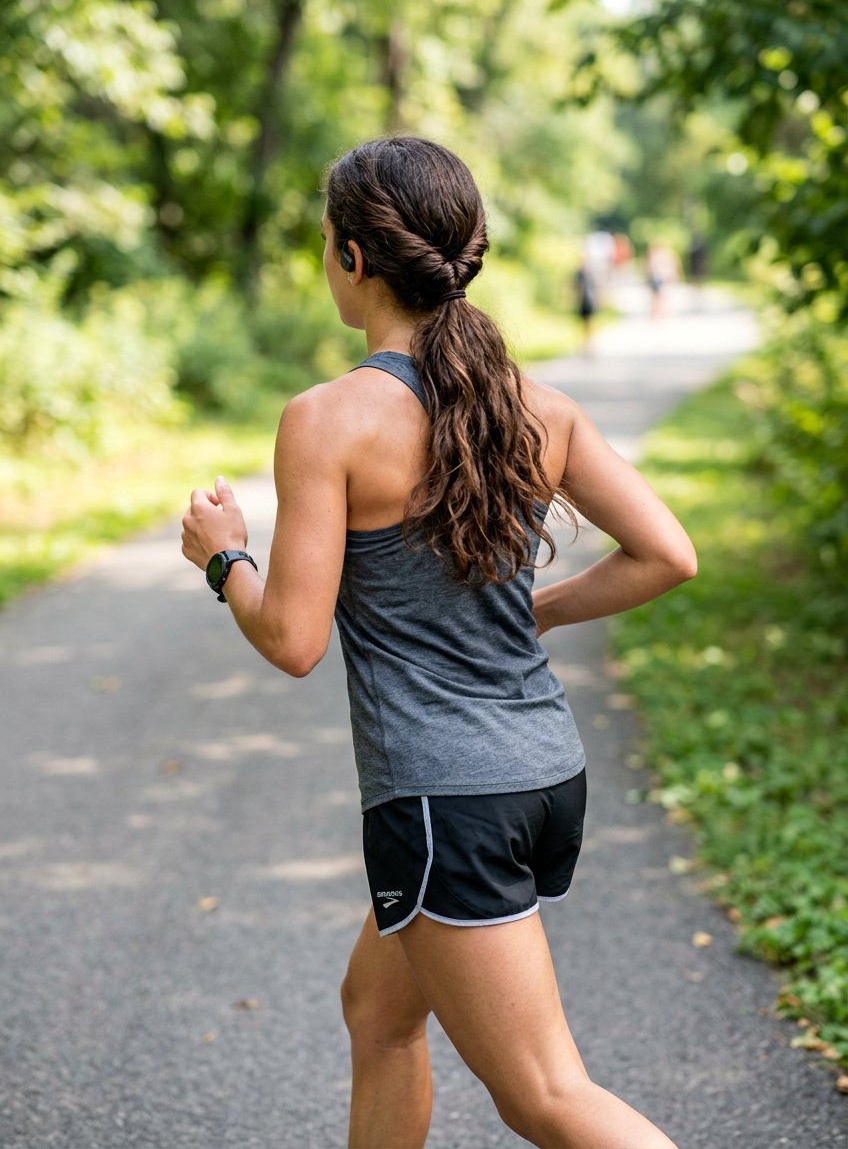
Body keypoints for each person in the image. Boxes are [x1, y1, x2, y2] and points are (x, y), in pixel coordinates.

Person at [181, 136, 697, 1149]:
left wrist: (222, 557)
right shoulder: (533, 406)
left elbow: (291, 637)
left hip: (444, 802)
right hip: (539, 780)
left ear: (352, 258)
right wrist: (535, 612)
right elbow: (666, 554)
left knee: (546, 1095)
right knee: (377, 1012)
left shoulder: (327, 419)